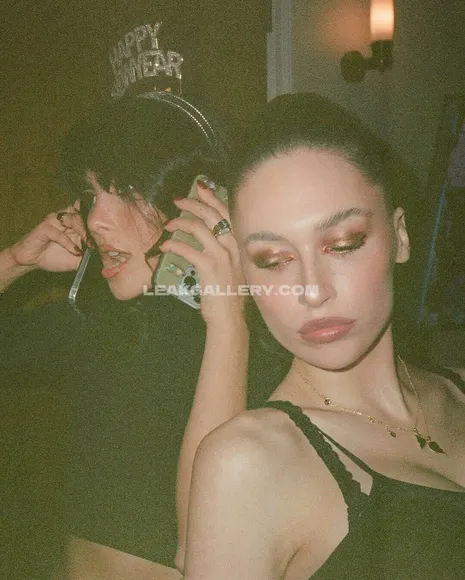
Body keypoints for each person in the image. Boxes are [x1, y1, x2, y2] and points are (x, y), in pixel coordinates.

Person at [176, 93, 465, 580]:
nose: (312, 291)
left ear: (400, 236)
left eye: (343, 244)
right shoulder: (250, 462)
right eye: (272, 260)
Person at [0, 93, 288, 580]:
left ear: (205, 199)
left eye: (127, 191)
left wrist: (228, 323)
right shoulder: (100, 327)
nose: (95, 221)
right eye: (91, 196)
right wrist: (15, 261)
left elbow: (208, 539)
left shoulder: (271, 346)